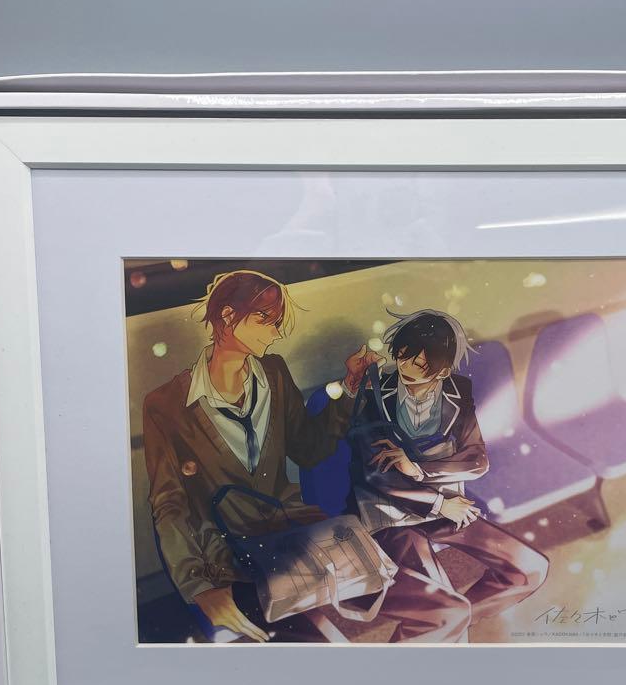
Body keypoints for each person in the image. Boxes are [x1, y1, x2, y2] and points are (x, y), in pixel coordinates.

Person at [142, 270, 471, 642]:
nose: (276, 333)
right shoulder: (165, 405)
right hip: (233, 556)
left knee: (449, 612)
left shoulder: (274, 372)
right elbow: (169, 505)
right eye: (266, 320)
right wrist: (198, 586)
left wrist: (348, 388)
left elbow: (308, 449)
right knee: (325, 650)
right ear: (229, 317)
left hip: (303, 535)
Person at [350, 309, 549, 627]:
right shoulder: (373, 393)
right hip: (393, 515)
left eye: (418, 364)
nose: (404, 367)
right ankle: (448, 626)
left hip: (446, 505)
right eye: (402, 356)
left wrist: (420, 469)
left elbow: (477, 460)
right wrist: (439, 502)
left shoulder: (458, 390)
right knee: (443, 606)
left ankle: (455, 624)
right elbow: (376, 475)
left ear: (442, 371)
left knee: (529, 569)